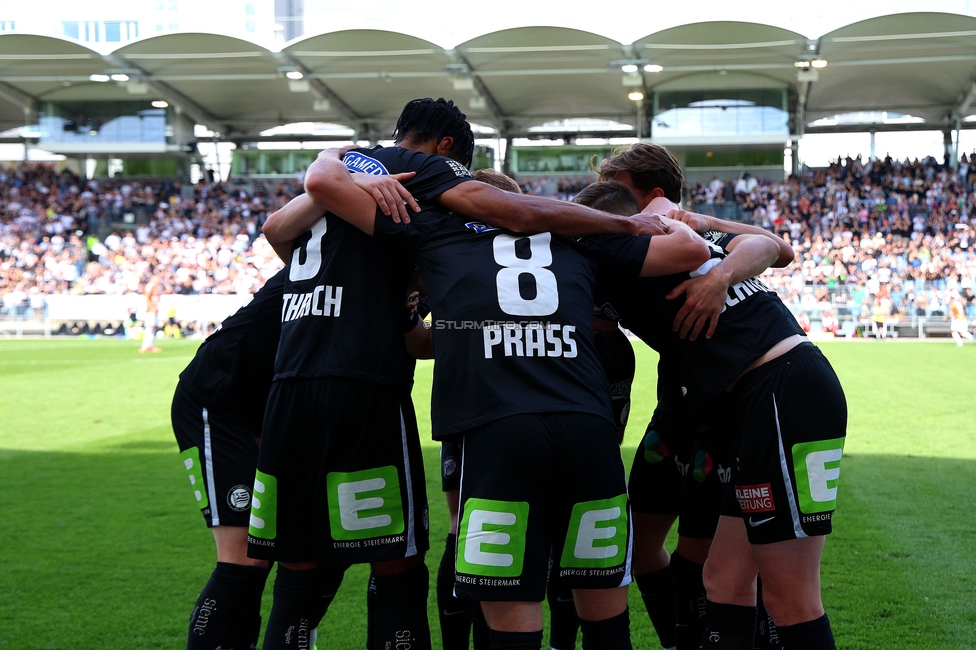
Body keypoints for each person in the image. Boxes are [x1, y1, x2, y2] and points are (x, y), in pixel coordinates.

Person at [297, 138, 709, 650]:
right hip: (587, 426)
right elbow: (690, 248)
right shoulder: (578, 236)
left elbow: (320, 187)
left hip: (498, 428)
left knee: (511, 615)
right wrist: (658, 212)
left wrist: (338, 156)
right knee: (605, 613)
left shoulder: (436, 228)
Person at [597, 143, 846, 650]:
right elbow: (773, 245)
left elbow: (775, 247)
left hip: (782, 390)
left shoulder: (655, 239)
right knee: (724, 580)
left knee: (790, 595)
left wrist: (720, 272)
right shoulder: (663, 241)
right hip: (754, 400)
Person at [172, 269, 320, 650]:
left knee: (289, 554)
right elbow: (280, 224)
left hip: (271, 409)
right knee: (245, 559)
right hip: (218, 400)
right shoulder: (338, 241)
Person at [139, 277, 162, 353]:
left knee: (152, 328)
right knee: (149, 328)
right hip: (150, 310)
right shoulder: (150, 286)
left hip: (154, 310)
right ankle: (145, 346)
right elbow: (147, 298)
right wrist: (151, 307)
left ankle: (150, 345)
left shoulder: (154, 287)